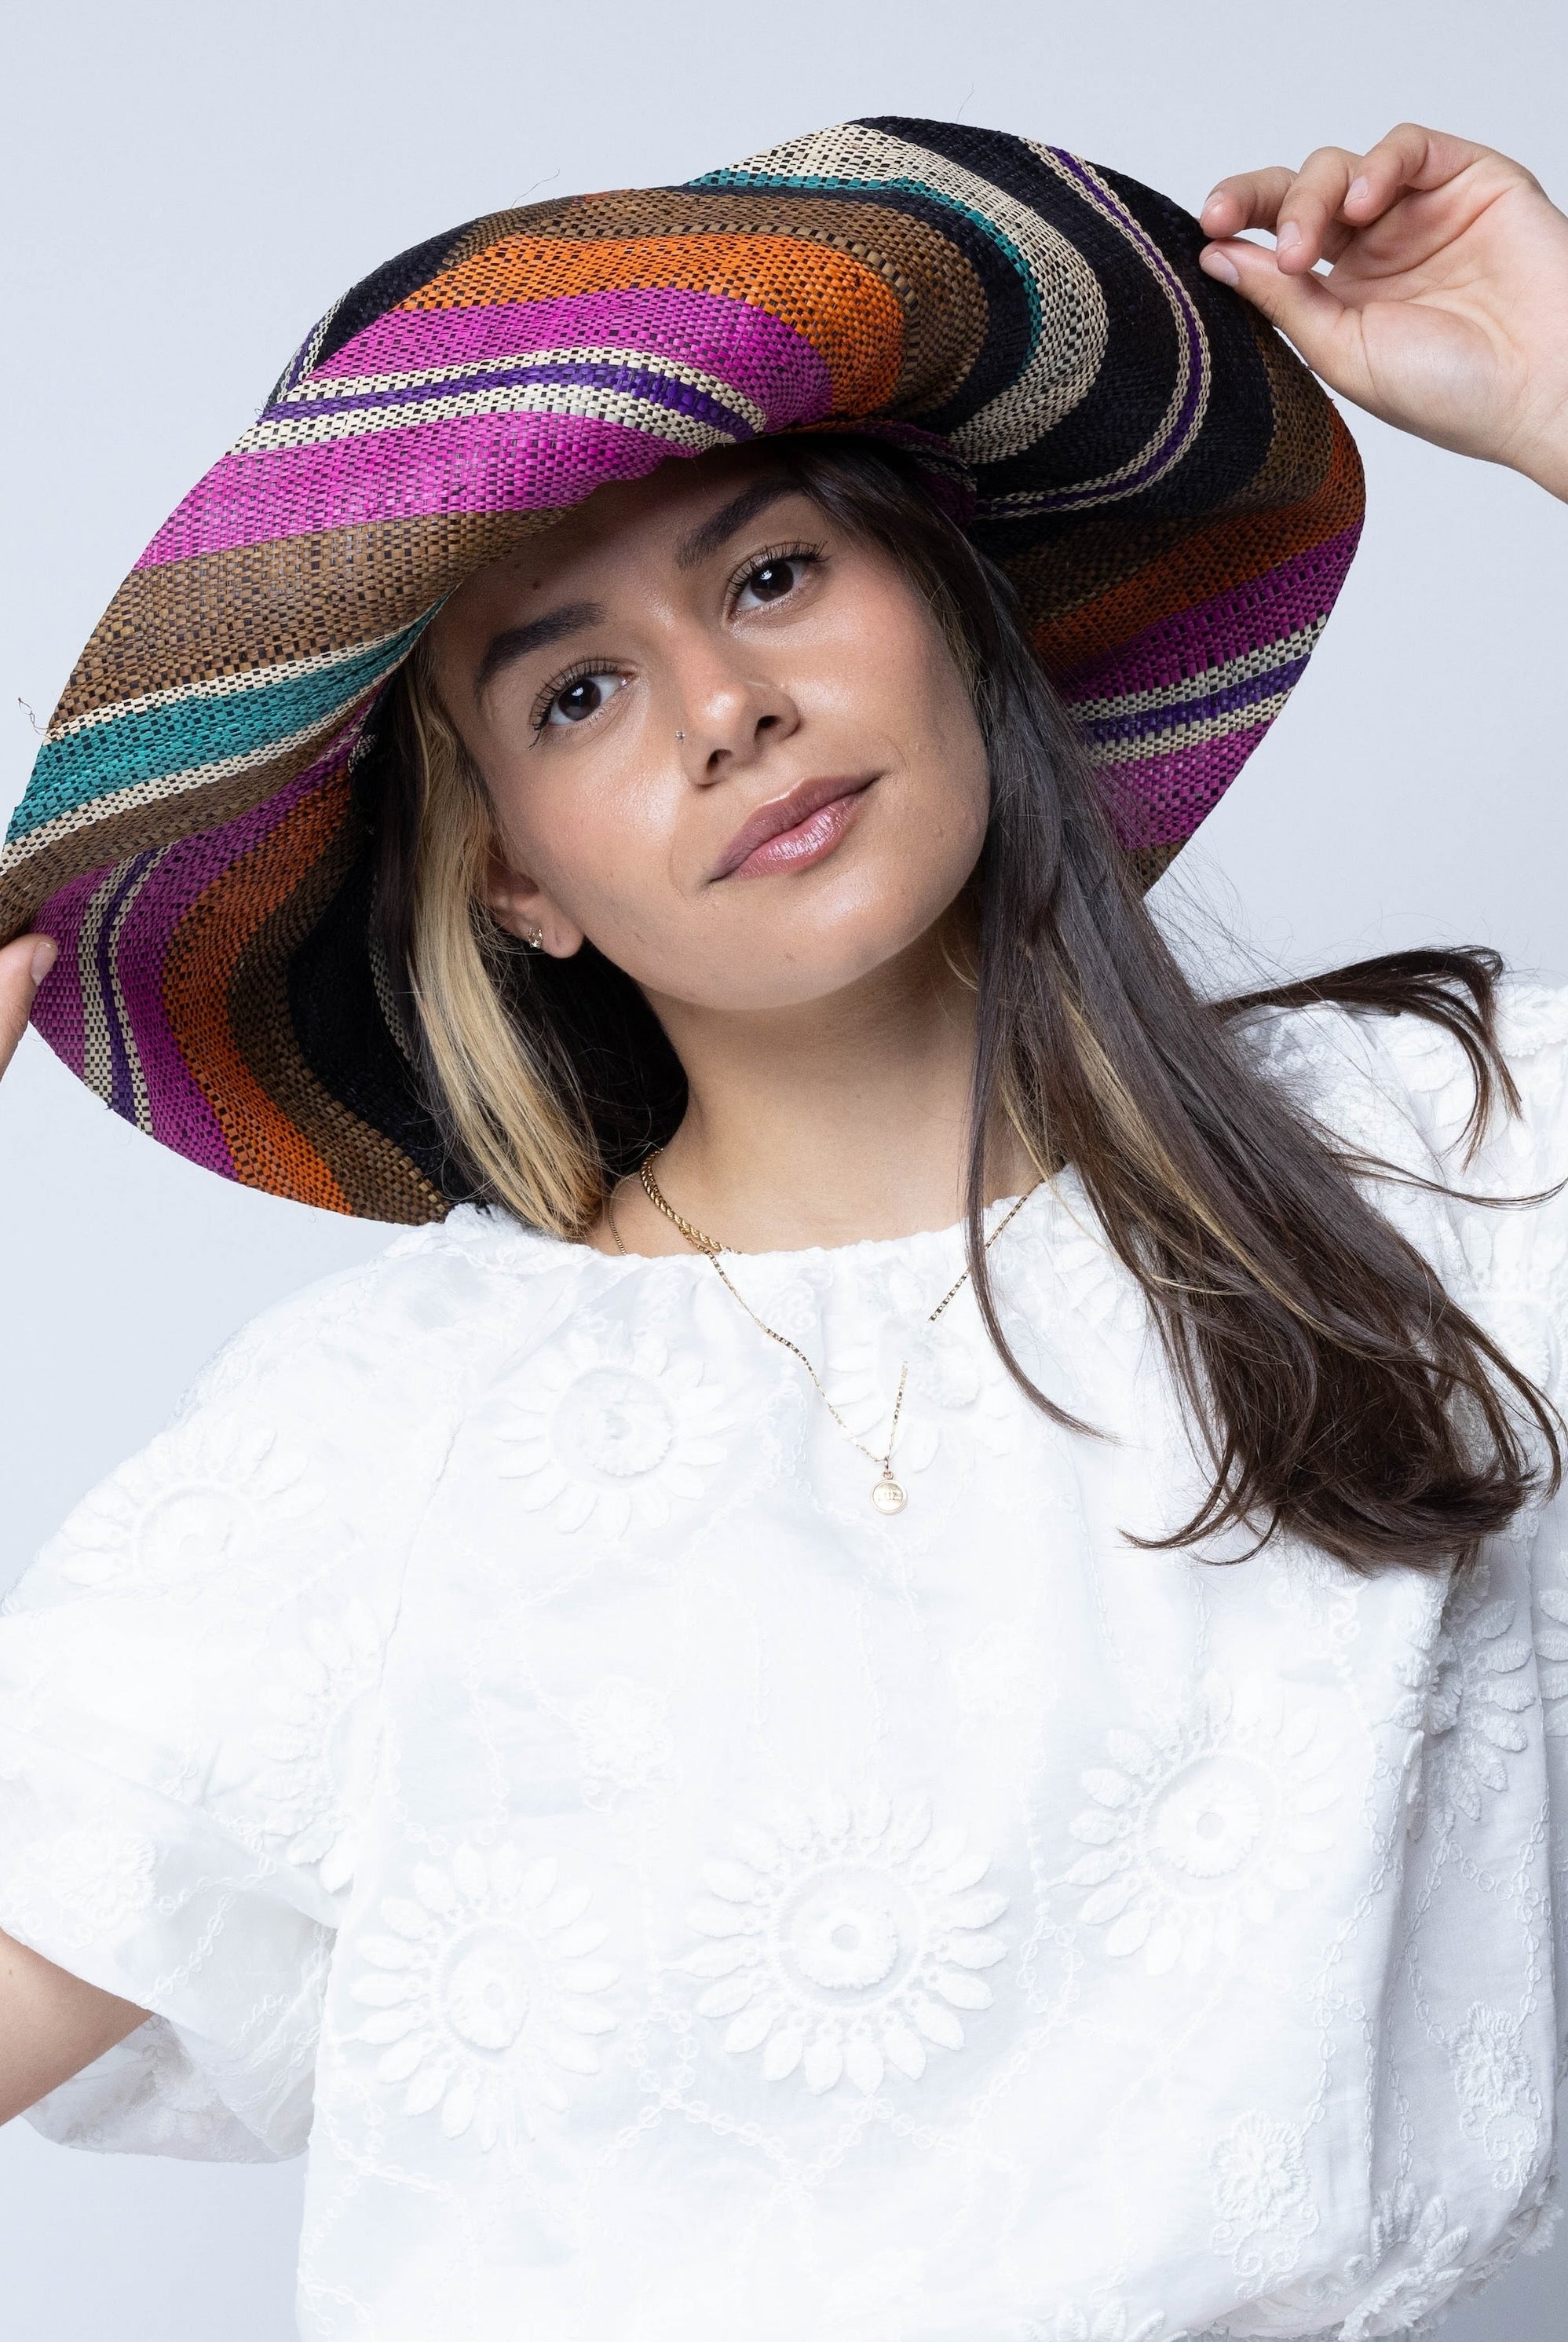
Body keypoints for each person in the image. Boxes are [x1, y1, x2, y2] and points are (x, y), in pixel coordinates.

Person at [0, 113, 1566, 2340]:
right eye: (577, 691)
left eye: (768, 579)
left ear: (950, 610)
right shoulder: (387, 1440)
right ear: (511, 876)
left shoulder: (1451, 1160)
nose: (729, 708)